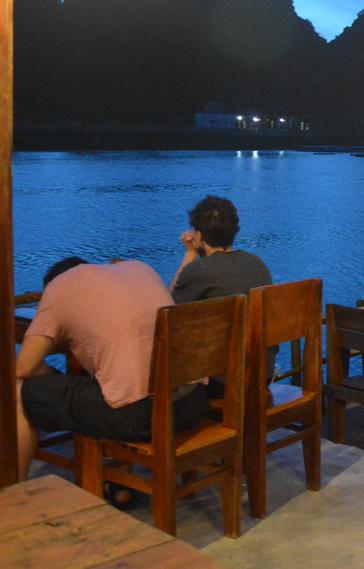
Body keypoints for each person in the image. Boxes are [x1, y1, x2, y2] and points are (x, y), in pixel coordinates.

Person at [15, 258, 209, 483]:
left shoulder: (58, 287)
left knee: (17, 393)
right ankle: (121, 485)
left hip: (143, 417)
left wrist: (50, 375)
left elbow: (24, 367)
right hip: (193, 404)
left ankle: (14, 494)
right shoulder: (139, 268)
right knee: (116, 381)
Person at [170, 195, 272, 396]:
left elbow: (168, 306)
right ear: (234, 230)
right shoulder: (257, 264)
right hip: (263, 373)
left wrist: (190, 254)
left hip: (223, 380)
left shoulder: (198, 271)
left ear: (198, 234)